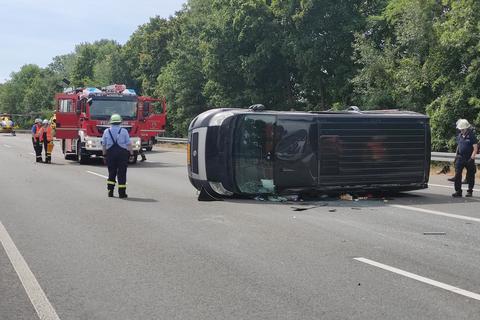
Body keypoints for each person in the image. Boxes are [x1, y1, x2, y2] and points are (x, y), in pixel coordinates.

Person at [101, 114, 133, 198]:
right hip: (122, 154)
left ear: (111, 122)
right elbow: (129, 144)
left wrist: (104, 155)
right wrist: (131, 154)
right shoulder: (124, 131)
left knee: (111, 173)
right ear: (120, 122)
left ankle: (110, 191)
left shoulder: (106, 131)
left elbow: (103, 145)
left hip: (110, 154)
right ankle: (122, 193)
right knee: (122, 173)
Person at [452, 119, 478, 197]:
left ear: (466, 128)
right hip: (460, 158)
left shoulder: (471, 136)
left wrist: (472, 158)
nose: (461, 130)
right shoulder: (459, 135)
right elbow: (458, 146)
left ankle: (470, 191)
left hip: (469, 158)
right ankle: (458, 191)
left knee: (470, 175)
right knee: (457, 175)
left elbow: (475, 148)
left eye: (462, 129)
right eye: (460, 129)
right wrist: (456, 156)